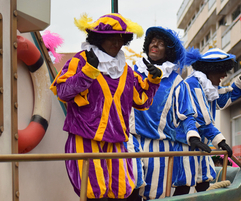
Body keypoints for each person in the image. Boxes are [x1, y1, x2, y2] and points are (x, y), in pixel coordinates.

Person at [50, 13, 162, 200]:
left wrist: (153, 81)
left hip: (117, 142)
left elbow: (142, 101)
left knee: (119, 193)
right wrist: (87, 72)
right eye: (111, 38)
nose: (116, 43)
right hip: (86, 139)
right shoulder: (81, 60)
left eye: (121, 38)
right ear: (99, 38)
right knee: (94, 194)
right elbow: (63, 92)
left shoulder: (125, 69)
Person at [128, 26, 211, 200]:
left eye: (161, 44)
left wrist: (193, 137)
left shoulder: (176, 82)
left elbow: (186, 113)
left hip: (159, 146)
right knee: (129, 188)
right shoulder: (133, 72)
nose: (155, 45)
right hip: (130, 141)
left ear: (168, 52)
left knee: (154, 194)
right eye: (152, 41)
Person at [184, 47, 241, 192]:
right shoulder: (192, 84)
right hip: (187, 144)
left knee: (203, 183)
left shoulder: (207, 85)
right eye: (222, 70)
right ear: (211, 69)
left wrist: (240, 81)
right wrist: (221, 142)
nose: (224, 75)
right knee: (184, 187)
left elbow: (223, 99)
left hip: (201, 146)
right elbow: (201, 120)